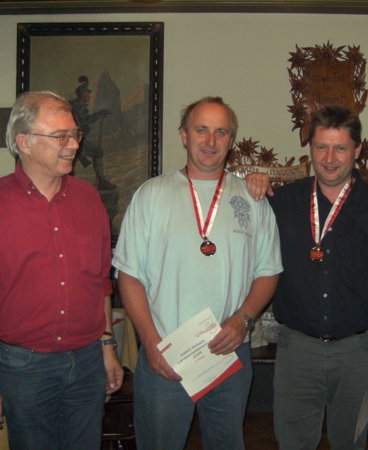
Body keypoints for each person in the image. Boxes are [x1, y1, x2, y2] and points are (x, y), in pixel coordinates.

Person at [112, 96, 282, 450]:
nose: (210, 141)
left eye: (221, 132)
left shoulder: (252, 200)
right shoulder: (151, 195)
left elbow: (268, 272)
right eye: (201, 130)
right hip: (165, 353)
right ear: (184, 135)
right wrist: (151, 343)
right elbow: (129, 276)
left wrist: (244, 319)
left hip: (229, 351)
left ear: (231, 140)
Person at [0, 91, 123, 450]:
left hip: (87, 362)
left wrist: (107, 347)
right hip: (23, 369)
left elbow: (99, 284)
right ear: (24, 143)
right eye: (60, 136)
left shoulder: (89, 199)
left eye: (75, 134)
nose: (74, 145)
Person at [248, 104, 368, 449]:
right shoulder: (282, 201)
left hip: (359, 351)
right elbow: (240, 221)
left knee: (351, 442)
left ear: (357, 150)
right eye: (321, 147)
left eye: (340, 148)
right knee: (292, 442)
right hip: (297, 349)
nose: (329, 158)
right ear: (310, 149)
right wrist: (248, 183)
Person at [70, 75, 116, 190]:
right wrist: (99, 114)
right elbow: (85, 120)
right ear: (82, 94)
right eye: (87, 94)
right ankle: (102, 181)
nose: (89, 96)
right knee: (97, 153)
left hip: (77, 138)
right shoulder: (78, 106)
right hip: (76, 138)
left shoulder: (77, 105)